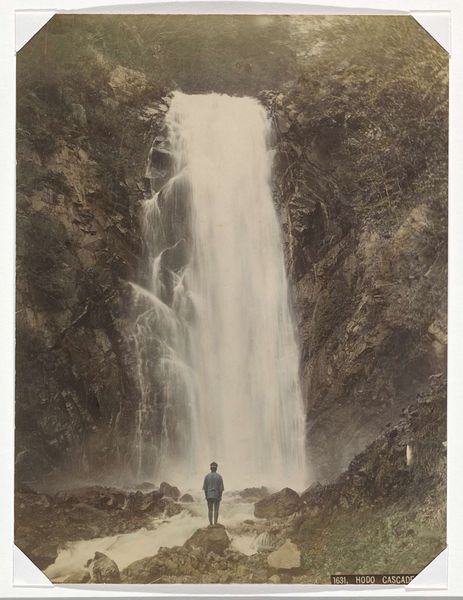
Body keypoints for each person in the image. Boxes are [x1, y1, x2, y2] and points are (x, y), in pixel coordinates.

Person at [202, 461, 224, 526]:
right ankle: (215, 523)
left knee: (210, 510)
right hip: (216, 495)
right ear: (216, 468)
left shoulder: (207, 476)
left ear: (210, 468)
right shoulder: (219, 477)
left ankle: (211, 524)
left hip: (209, 495)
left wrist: (206, 496)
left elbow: (205, 488)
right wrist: (220, 497)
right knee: (216, 510)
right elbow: (221, 489)